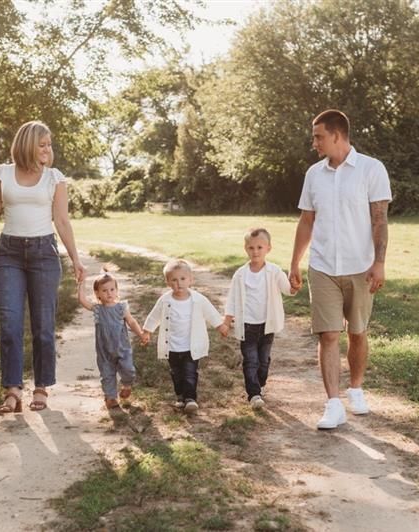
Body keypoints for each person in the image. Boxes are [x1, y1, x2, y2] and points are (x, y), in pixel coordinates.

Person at [0, 120, 85, 414]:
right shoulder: (2, 174)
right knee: (10, 324)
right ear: (28, 145)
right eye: (42, 144)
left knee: (43, 326)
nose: (48, 149)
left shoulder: (54, 178)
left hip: (44, 253)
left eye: (49, 144)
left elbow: (62, 221)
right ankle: (13, 389)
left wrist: (76, 259)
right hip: (9, 254)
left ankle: (41, 387)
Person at [289, 109, 391, 430]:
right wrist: (294, 263)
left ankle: (356, 388)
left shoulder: (371, 169)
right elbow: (307, 221)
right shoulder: (313, 175)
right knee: (328, 333)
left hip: (360, 268)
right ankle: (333, 404)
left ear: (337, 135)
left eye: (318, 136)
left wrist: (379, 262)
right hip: (322, 267)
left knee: (357, 332)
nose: (314, 142)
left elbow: (379, 220)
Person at [141, 259, 228, 414]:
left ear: (190, 279)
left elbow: (210, 312)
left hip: (191, 346)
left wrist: (220, 326)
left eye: (182, 279)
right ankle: (180, 396)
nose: (178, 283)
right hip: (172, 346)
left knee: (189, 372)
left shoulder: (198, 299)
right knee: (176, 373)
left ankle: (190, 398)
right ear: (167, 282)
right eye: (174, 280)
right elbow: (155, 316)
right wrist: (147, 331)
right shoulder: (165, 300)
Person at [224, 228, 295, 410]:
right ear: (246, 249)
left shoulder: (274, 271)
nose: (255, 252)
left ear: (268, 249)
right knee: (251, 360)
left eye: (259, 247)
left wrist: (294, 287)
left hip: (267, 325)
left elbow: (287, 289)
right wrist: (227, 321)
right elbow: (232, 298)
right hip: (246, 325)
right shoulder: (240, 274)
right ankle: (254, 394)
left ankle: (260, 383)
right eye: (251, 248)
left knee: (263, 361)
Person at [77, 271, 146, 409]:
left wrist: (141, 333)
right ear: (97, 293)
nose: (109, 293)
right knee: (107, 374)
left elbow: (131, 322)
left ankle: (126, 385)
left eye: (112, 289)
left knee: (128, 370)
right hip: (104, 351)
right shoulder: (97, 309)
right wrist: (81, 283)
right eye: (104, 290)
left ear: (116, 291)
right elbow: (83, 300)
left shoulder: (121, 308)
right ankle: (111, 397)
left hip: (122, 348)